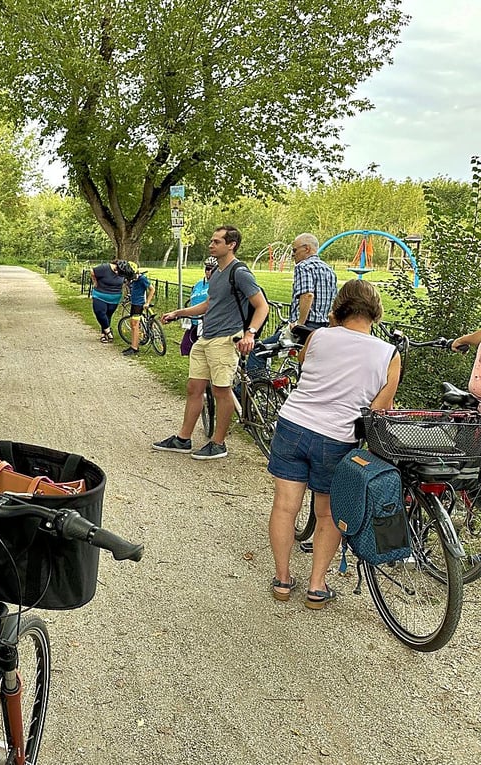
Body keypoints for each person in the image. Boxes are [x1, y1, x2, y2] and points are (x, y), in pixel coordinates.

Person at [267, 280, 400, 608]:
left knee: (285, 506)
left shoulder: (317, 336)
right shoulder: (389, 355)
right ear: (375, 313)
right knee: (327, 514)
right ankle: (316, 586)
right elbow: (380, 409)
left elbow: (305, 370)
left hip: (293, 424)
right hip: (336, 438)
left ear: (339, 306)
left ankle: (282, 581)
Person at [154, 226, 269, 460]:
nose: (211, 245)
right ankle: (183, 439)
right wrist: (181, 312)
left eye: (216, 241)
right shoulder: (216, 272)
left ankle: (218, 443)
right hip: (206, 338)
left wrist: (250, 334)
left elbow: (262, 306)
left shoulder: (240, 273)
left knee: (221, 391)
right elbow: (209, 304)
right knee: (194, 388)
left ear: (231, 245)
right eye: (211, 240)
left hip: (225, 339)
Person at [248, 233, 337, 376]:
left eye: (294, 251)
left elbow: (307, 295)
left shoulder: (303, 266)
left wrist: (299, 324)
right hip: (323, 328)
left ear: (307, 249)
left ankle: (258, 391)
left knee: (258, 352)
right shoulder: (329, 270)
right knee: (309, 369)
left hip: (305, 327)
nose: (292, 255)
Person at [91, 259, 133, 343]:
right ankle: (108, 331)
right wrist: (95, 282)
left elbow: (129, 280)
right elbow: (92, 271)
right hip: (100, 294)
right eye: (117, 271)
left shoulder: (124, 271)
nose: (118, 274)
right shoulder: (105, 267)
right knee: (100, 312)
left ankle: (103, 334)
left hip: (115, 297)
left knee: (108, 315)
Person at [180, 258, 216, 356]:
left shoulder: (217, 285)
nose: (208, 272)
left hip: (208, 322)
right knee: (186, 346)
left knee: (204, 350)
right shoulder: (199, 284)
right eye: (207, 269)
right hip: (194, 320)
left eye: (211, 269)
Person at [121, 262, 155, 356]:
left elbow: (152, 289)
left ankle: (134, 347)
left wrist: (147, 302)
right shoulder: (132, 279)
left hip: (139, 304)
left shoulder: (142, 278)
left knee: (134, 325)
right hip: (134, 303)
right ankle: (134, 344)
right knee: (133, 325)